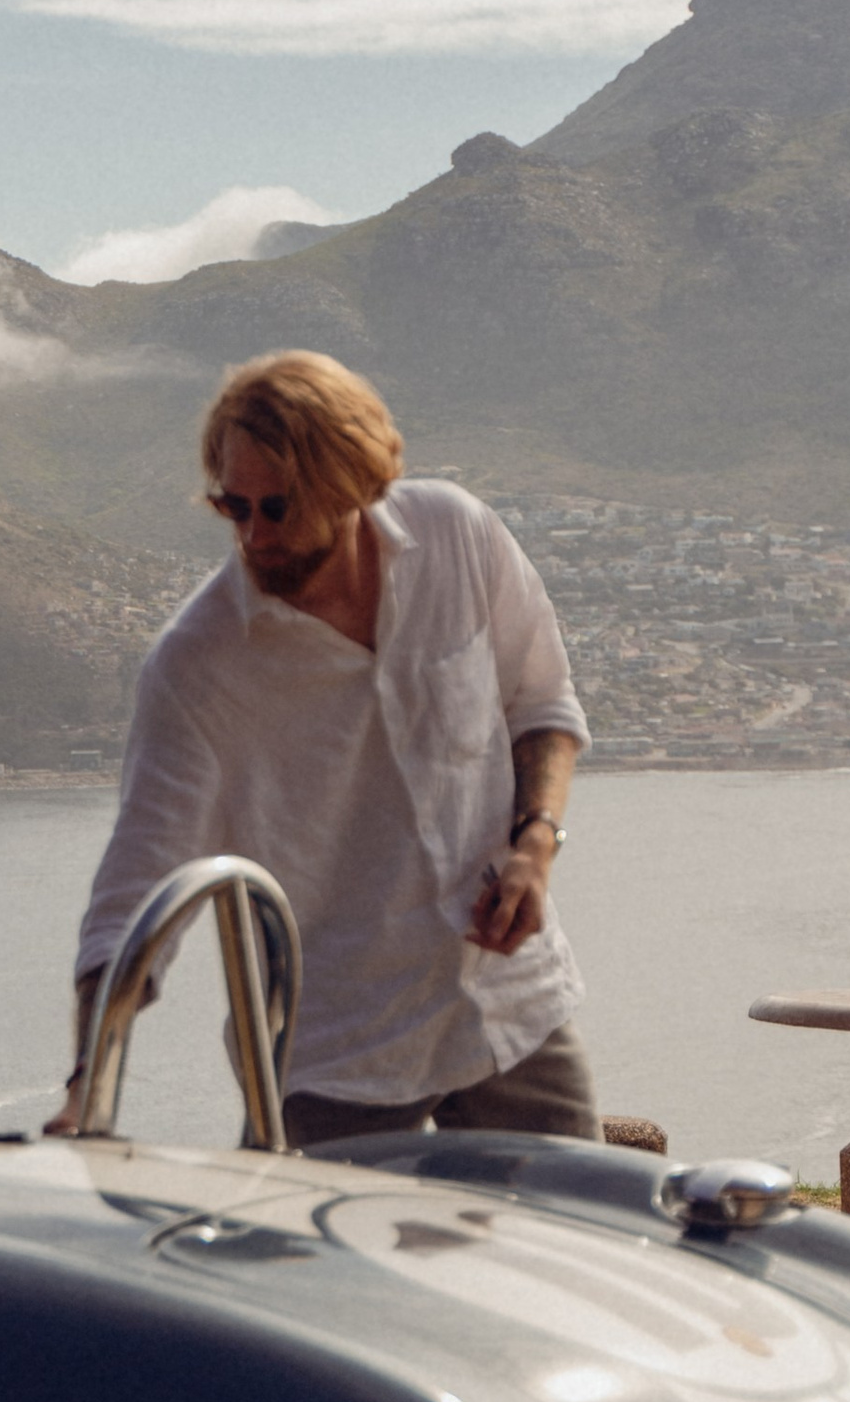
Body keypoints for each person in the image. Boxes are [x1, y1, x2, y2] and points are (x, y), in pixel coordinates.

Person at [64, 350, 596, 1150]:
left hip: (506, 1006)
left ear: (352, 484)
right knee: (301, 1277)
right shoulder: (200, 665)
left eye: (277, 507)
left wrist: (536, 844)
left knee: (573, 1250)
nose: (254, 536)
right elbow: (136, 895)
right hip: (335, 1052)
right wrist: (87, 1085)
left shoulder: (457, 536)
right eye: (232, 507)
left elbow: (543, 705)